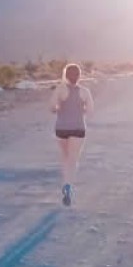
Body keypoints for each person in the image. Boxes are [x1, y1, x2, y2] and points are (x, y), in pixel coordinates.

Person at [49, 63, 94, 206]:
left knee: (65, 157)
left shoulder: (60, 89)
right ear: (79, 76)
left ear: (65, 75)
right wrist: (80, 110)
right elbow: (90, 111)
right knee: (73, 159)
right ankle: (68, 185)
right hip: (78, 128)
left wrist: (60, 109)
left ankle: (65, 183)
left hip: (61, 128)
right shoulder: (85, 92)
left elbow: (52, 108)